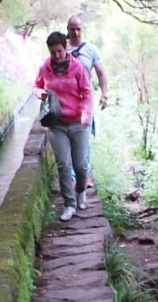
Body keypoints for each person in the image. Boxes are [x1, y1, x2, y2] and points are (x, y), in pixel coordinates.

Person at [34, 32, 94, 222]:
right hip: (57, 124)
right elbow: (35, 87)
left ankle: (81, 191)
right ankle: (69, 204)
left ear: (65, 48)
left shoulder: (77, 67)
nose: (57, 56)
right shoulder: (45, 67)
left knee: (81, 166)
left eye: (59, 51)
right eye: (53, 53)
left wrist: (86, 113)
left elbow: (87, 92)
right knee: (64, 165)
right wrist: (41, 93)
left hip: (78, 123)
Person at [66, 16, 106, 190]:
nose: (75, 32)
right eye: (72, 28)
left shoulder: (91, 50)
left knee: (84, 140)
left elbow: (101, 74)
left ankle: (84, 175)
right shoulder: (61, 48)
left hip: (85, 102)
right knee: (68, 142)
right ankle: (73, 177)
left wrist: (104, 95)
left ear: (83, 29)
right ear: (67, 29)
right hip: (65, 102)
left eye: (78, 29)